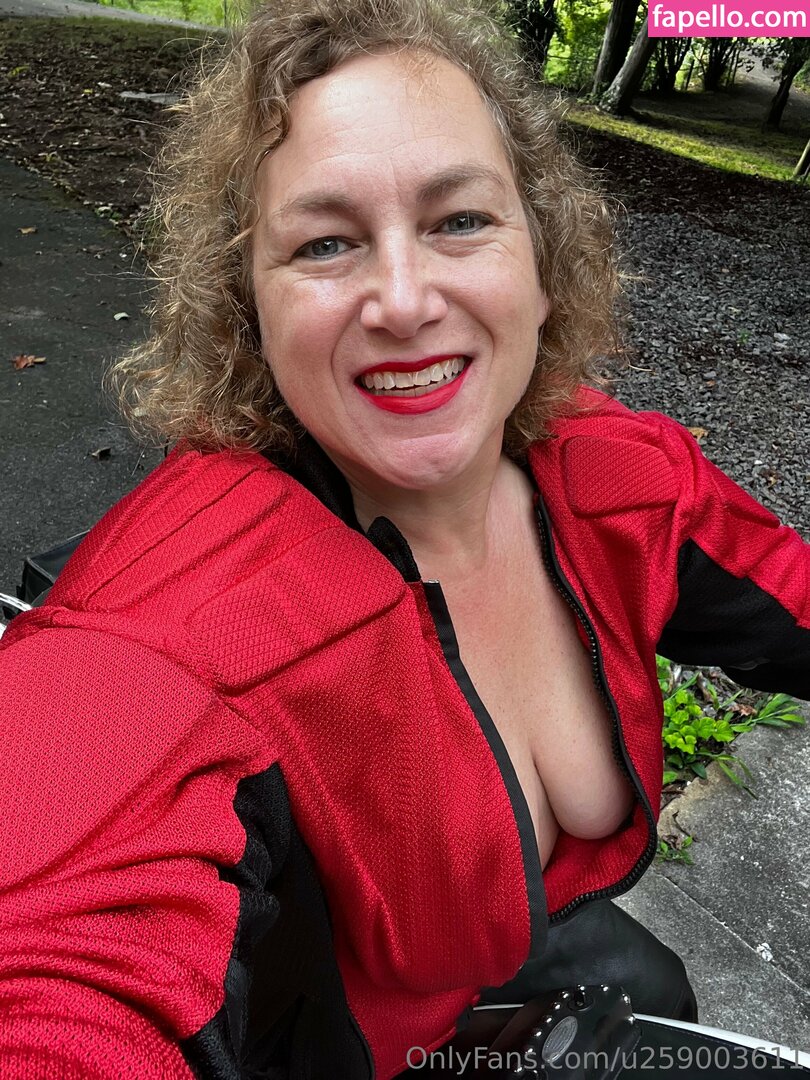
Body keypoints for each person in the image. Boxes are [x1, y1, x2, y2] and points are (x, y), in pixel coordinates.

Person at [0, 0, 808, 1076]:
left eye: (459, 220)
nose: (403, 298)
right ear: (248, 306)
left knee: (656, 992)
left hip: (505, 955)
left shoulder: (617, 475)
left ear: (542, 257)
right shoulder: (164, 637)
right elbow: (51, 945)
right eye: (325, 243)